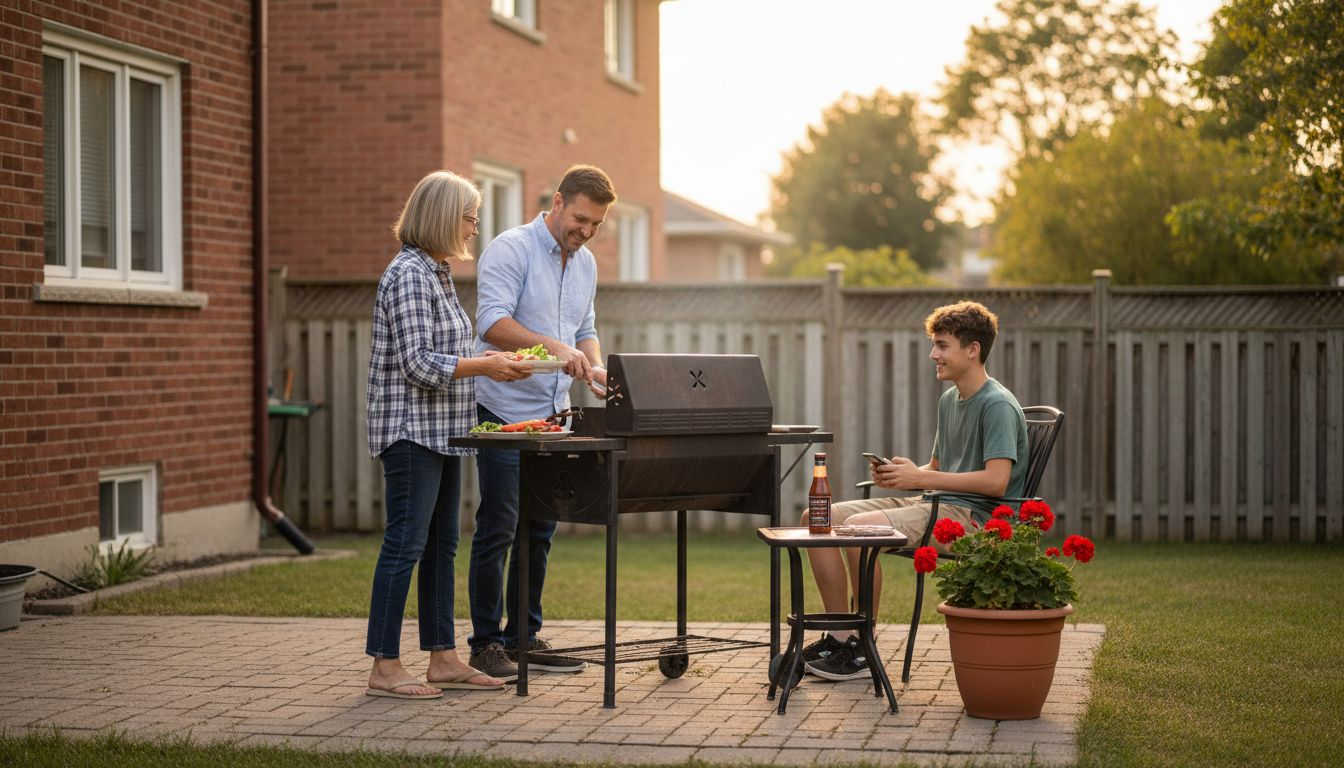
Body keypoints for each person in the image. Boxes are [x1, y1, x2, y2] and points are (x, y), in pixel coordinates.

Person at [363, 170, 534, 699]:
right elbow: (417, 363)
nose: (475, 225)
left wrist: (492, 364)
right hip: (411, 433)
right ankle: (384, 667)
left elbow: (447, 353)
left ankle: (442, 659)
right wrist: (485, 366)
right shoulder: (409, 275)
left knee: (441, 548)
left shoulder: (436, 273)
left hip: (443, 433)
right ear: (441, 216)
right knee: (405, 546)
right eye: (469, 216)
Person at [801, 300, 1029, 681]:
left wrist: (920, 480)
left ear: (972, 350)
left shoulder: (997, 405)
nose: (933, 355)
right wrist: (901, 475)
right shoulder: (950, 400)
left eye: (942, 345)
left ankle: (863, 649)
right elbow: (937, 469)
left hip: (975, 518)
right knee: (817, 518)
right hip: (936, 502)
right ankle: (841, 635)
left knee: (858, 530)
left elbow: (996, 482)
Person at [467, 164, 615, 681]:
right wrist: (555, 347)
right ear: (557, 202)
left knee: (541, 528)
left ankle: (524, 640)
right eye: (580, 219)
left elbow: (585, 328)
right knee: (500, 525)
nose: (586, 231)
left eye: (596, 224)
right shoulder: (511, 249)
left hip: (555, 414)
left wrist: (594, 366)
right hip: (503, 409)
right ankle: (486, 645)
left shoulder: (586, 262)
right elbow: (492, 322)